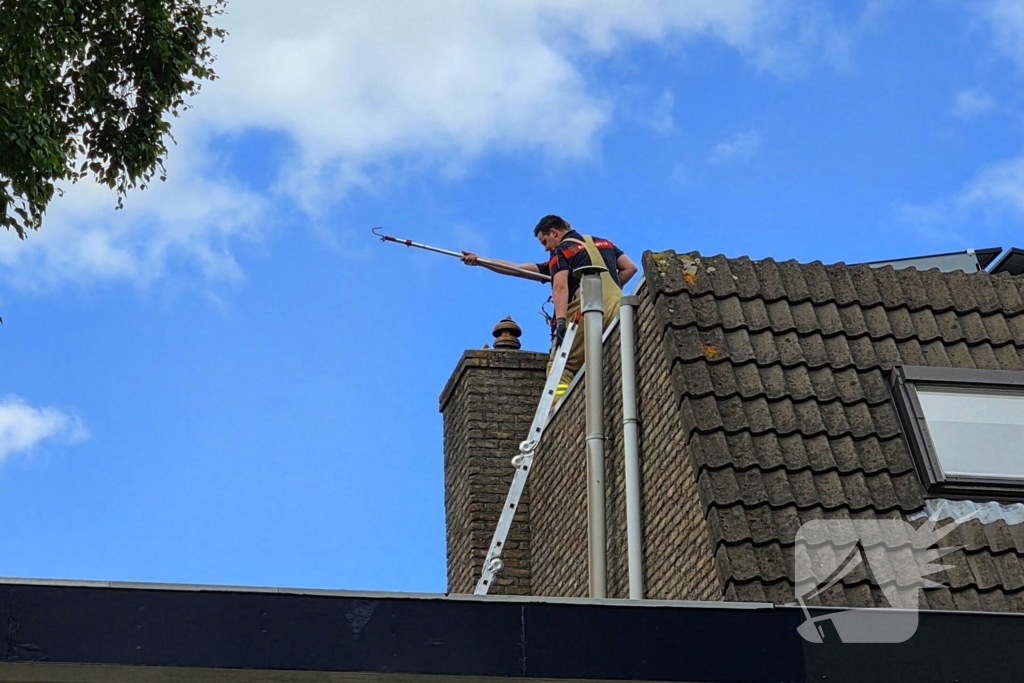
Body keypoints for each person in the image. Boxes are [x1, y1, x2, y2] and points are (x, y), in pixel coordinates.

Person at [461, 215, 637, 397]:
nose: (546, 248)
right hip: (618, 308)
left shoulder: (561, 251)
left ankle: (559, 410)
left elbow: (559, 286)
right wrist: (481, 260)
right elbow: (630, 267)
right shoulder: (603, 243)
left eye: (545, 241)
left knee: (562, 370)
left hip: (586, 312)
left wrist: (561, 322)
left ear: (554, 232)